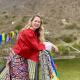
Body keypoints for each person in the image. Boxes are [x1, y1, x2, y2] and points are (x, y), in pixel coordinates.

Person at [7, 15, 45, 80]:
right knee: (20, 77)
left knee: (24, 76)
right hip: (17, 57)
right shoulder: (28, 32)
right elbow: (36, 47)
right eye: (35, 21)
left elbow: (37, 44)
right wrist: (50, 45)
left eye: (39, 22)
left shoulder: (34, 33)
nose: (37, 23)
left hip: (22, 57)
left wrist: (46, 44)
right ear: (31, 22)